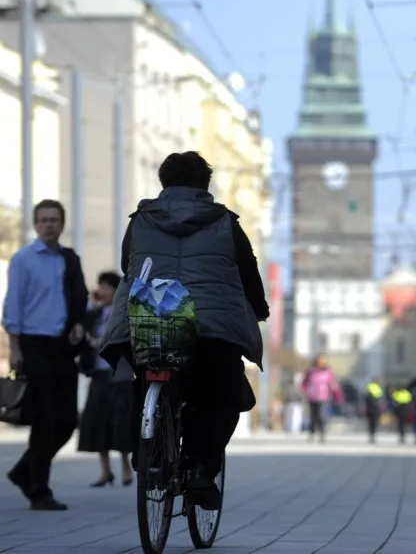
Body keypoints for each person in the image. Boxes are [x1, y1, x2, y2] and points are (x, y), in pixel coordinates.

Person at [99, 151, 269, 510]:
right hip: (209, 329)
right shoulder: (225, 222)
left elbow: (127, 264)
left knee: (144, 378)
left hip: (147, 320)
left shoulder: (141, 220)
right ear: (205, 184)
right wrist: (259, 308)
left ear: (163, 182)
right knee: (223, 397)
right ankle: (201, 471)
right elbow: (248, 272)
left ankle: (146, 454)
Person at [3, 200, 88, 511]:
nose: (49, 225)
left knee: (67, 421)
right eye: (43, 220)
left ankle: (23, 471)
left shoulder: (69, 259)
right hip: (33, 344)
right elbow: (12, 306)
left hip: (62, 347)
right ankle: (39, 489)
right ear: (36, 225)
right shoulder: (23, 260)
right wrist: (14, 347)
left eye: (54, 219)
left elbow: (79, 297)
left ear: (62, 224)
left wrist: (79, 324)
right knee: (45, 419)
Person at [77, 272, 135, 488]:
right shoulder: (95, 314)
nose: (102, 291)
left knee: (120, 424)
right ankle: (105, 470)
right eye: (100, 286)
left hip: (120, 376)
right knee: (97, 423)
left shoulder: (124, 313)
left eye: (107, 287)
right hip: (99, 376)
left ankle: (126, 467)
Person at [302, 354, 343, 443]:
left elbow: (334, 384)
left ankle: (322, 434)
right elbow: (305, 382)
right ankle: (311, 434)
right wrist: (305, 390)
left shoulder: (328, 372)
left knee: (321, 416)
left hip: (323, 397)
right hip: (312, 397)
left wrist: (338, 396)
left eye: (323, 361)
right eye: (320, 360)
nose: (321, 362)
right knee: (313, 417)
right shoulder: (310, 371)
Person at [364, 378, 384, 443]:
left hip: (370, 408)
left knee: (371, 423)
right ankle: (373, 435)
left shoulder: (369, 387)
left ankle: (371, 435)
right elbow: (380, 399)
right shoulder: (378, 388)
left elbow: (366, 398)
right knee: (374, 423)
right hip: (375, 408)